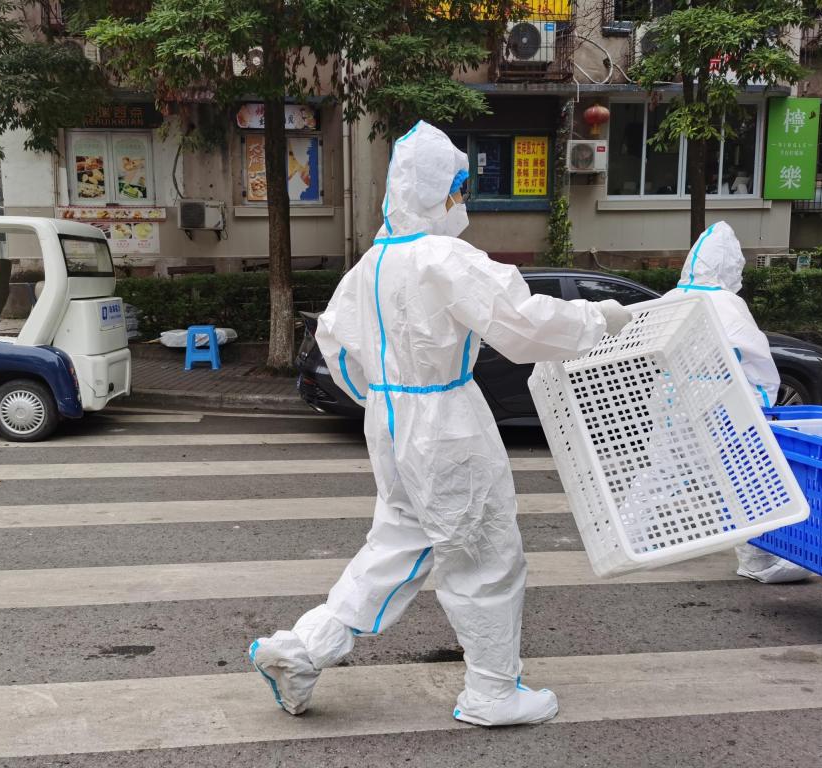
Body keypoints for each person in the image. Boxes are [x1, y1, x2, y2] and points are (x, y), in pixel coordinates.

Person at [248, 121, 632, 727]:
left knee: (399, 542)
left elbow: (336, 348)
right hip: (447, 420)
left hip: (391, 420)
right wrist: (601, 318)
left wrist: (383, 399)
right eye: (459, 188)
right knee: (483, 554)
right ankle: (492, 692)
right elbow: (524, 323)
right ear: (441, 190)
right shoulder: (446, 258)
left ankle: (301, 650)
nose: (463, 200)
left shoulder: (369, 266)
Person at [664, 221, 810, 584]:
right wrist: (763, 401)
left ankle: (635, 537)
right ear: (731, 265)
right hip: (726, 406)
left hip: (676, 403)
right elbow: (755, 358)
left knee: (664, 472)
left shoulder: (674, 298)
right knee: (747, 481)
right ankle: (757, 560)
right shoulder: (727, 304)